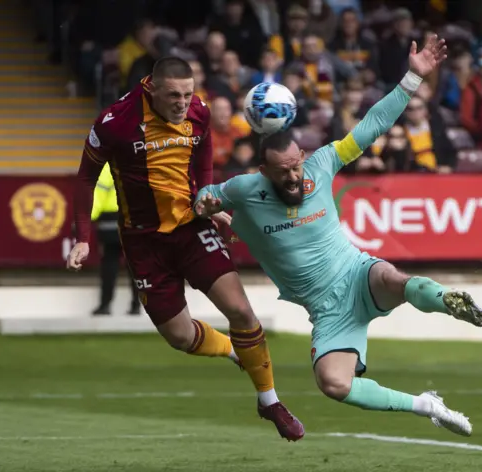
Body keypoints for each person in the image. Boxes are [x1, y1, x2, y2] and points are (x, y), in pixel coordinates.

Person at [194, 36, 482, 437]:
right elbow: (208, 195)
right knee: (334, 384)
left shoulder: (322, 164)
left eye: (297, 166)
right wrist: (206, 204)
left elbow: (372, 126)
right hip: (328, 312)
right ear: (264, 171)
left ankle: (447, 301)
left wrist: (412, 78)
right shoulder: (245, 189)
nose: (296, 177)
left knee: (396, 281)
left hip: (357, 274)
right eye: (284, 172)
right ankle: (425, 405)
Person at [66, 57, 304, 442]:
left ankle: (270, 401)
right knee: (178, 336)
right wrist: (82, 237)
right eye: (174, 95)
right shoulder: (115, 123)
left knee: (241, 310)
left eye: (188, 93)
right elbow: (85, 177)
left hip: (191, 227)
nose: (182, 102)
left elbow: (205, 147)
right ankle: (232, 351)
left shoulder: (199, 111)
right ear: (152, 89)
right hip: (143, 241)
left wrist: (208, 198)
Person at [90, 164, 141, 315]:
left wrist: (88, 218)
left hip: (109, 220)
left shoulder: (106, 168)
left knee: (109, 264)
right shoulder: (136, 164)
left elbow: (98, 195)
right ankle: (136, 305)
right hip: (133, 218)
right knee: (135, 266)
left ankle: (105, 305)